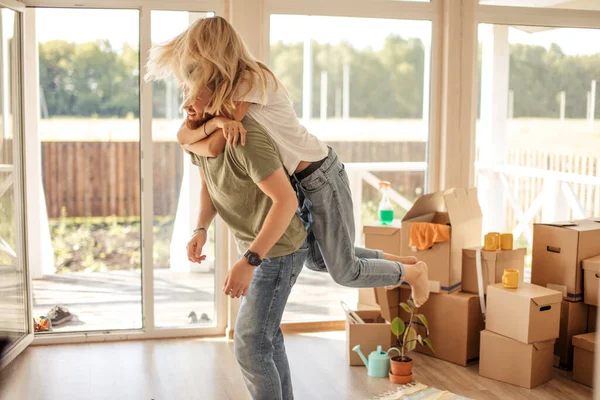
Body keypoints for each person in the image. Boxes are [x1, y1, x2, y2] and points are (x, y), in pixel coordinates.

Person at [145, 16, 429, 307]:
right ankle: (404, 264)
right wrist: (215, 121)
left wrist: (210, 127)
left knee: (344, 271)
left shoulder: (250, 79)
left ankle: (411, 273)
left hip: (320, 174)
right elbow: (184, 136)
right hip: (299, 180)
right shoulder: (226, 93)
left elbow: (214, 147)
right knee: (318, 261)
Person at [184, 104, 307, 400]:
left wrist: (249, 261)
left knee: (250, 343)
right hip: (258, 250)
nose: (188, 102)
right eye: (185, 92)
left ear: (217, 97)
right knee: (267, 336)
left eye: (196, 94)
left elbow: (287, 202)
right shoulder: (196, 140)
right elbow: (208, 187)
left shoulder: (245, 140)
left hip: (278, 251)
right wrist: (200, 228)